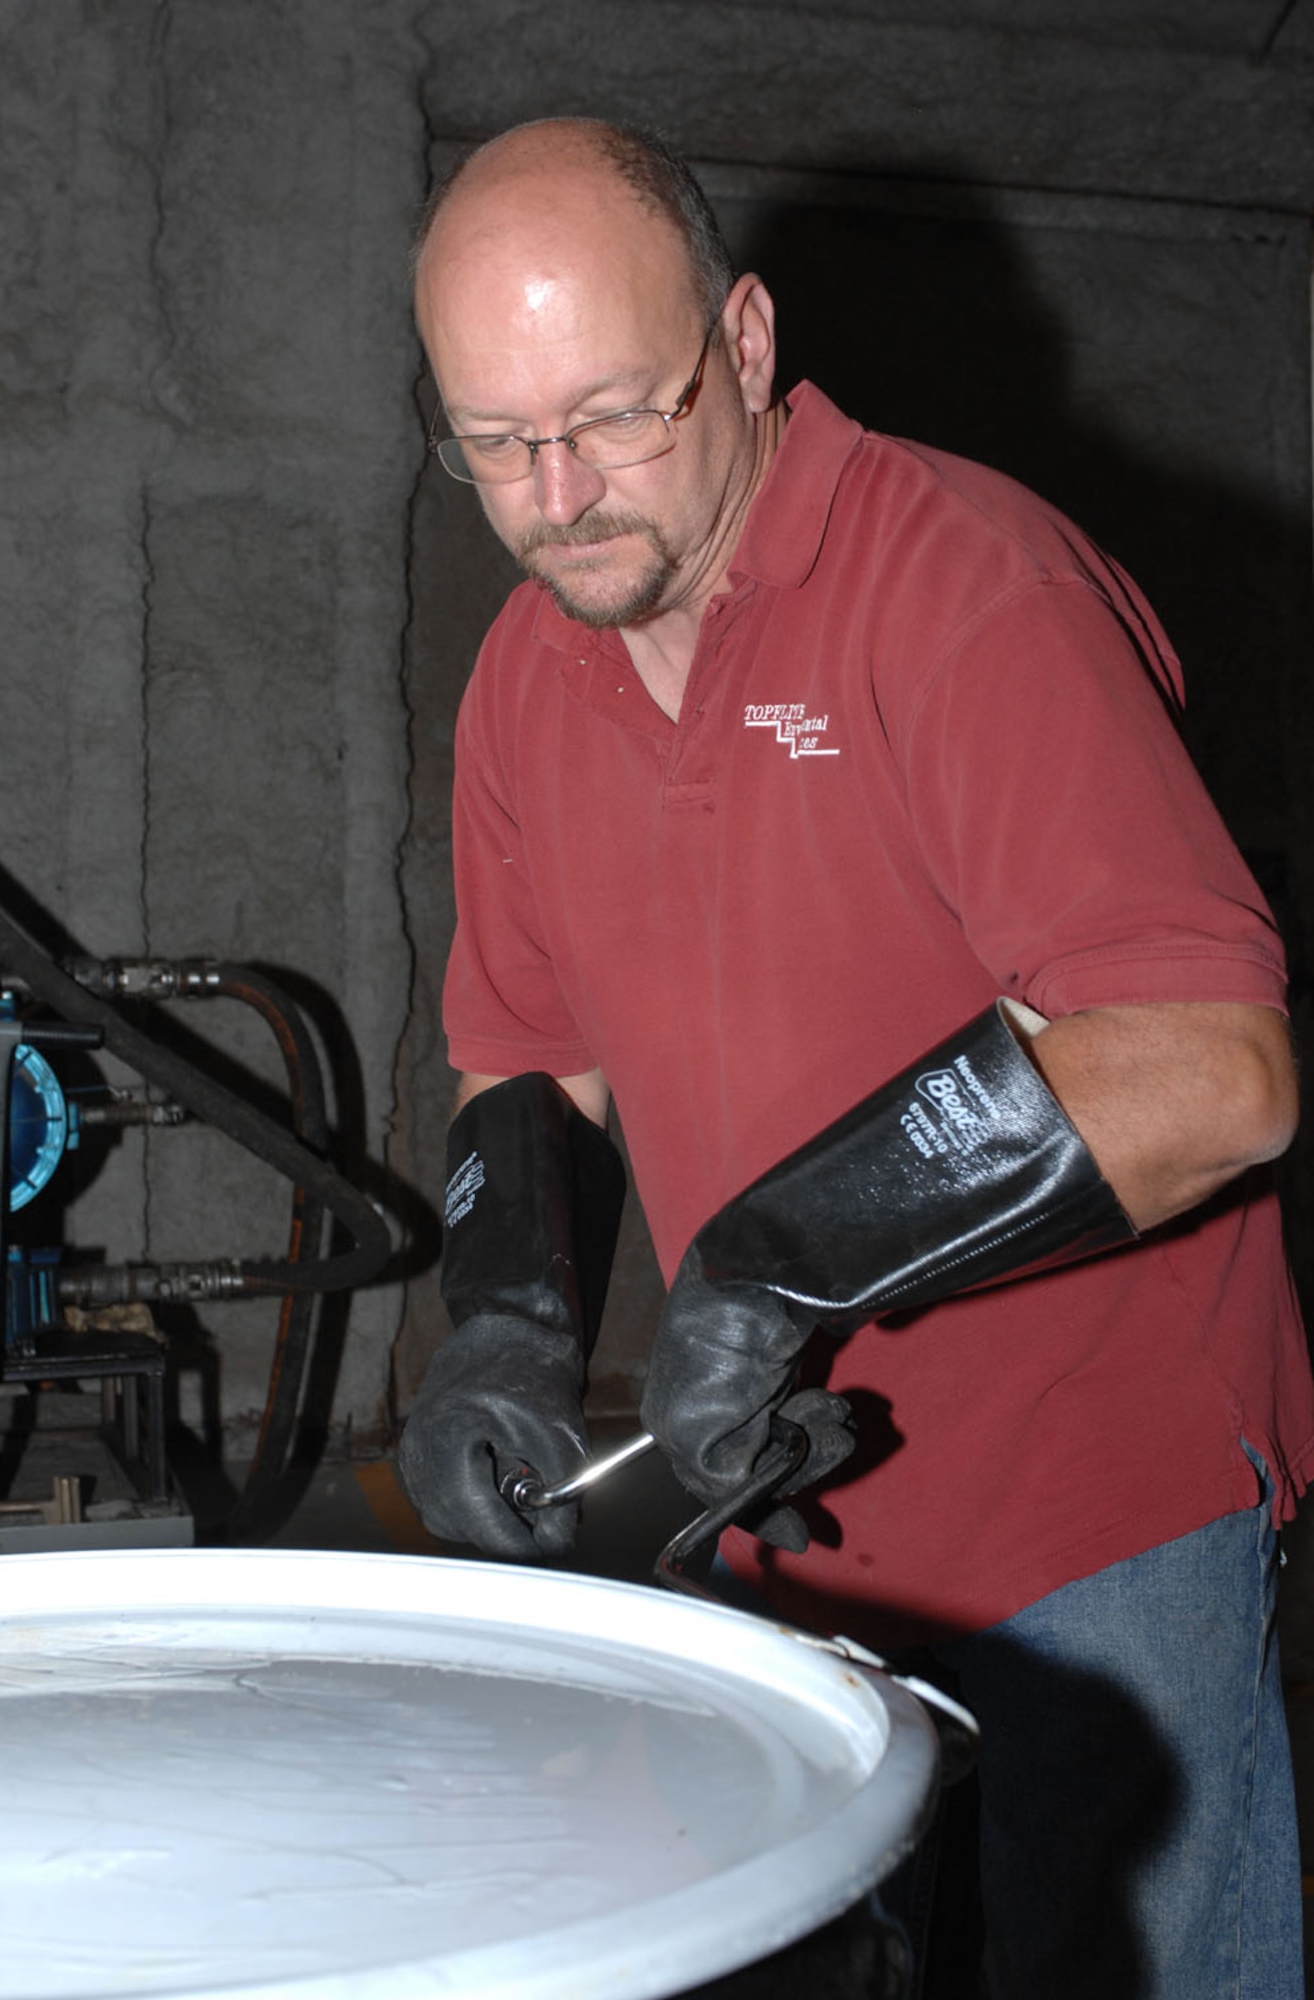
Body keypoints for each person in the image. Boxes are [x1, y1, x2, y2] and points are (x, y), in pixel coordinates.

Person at [398, 116, 1314, 1999]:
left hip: (1098, 1512)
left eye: (615, 417)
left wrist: (786, 1248)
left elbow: (1220, 1066)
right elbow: (528, 1057)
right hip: (791, 1512)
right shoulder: (525, 672)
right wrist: (504, 1322)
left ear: (742, 344)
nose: (561, 495)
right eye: (495, 442)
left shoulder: (967, 590)